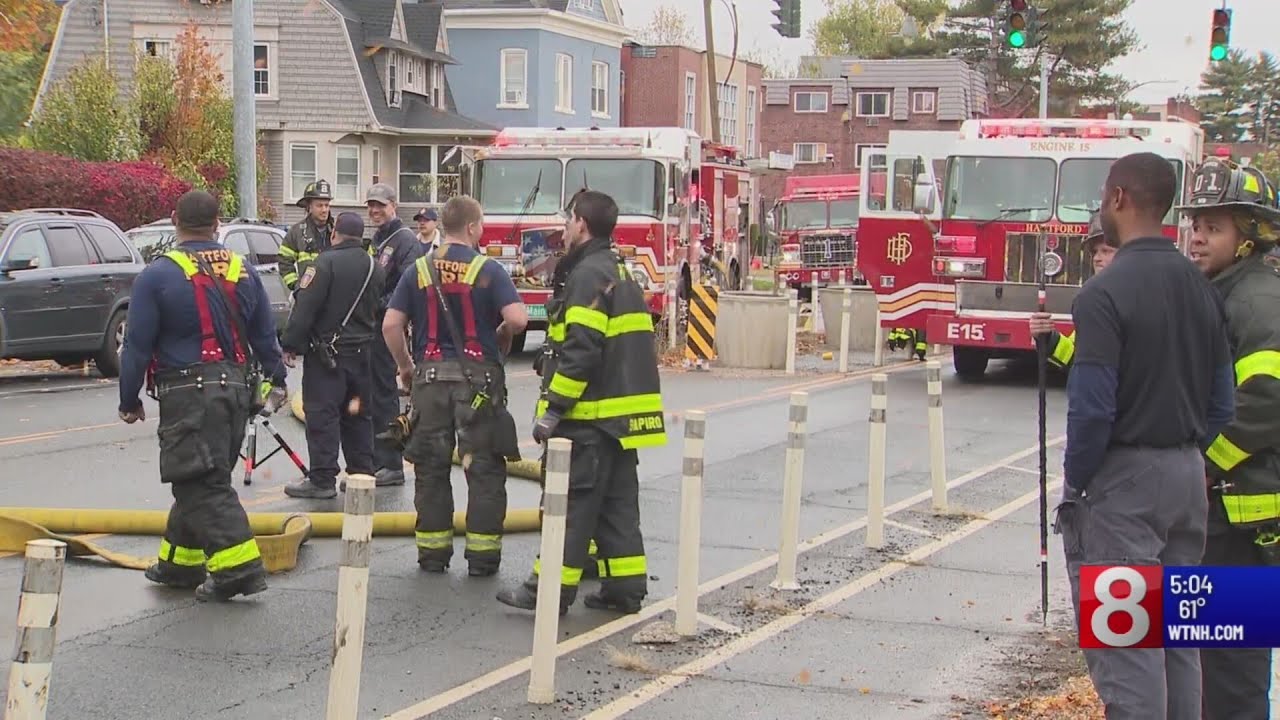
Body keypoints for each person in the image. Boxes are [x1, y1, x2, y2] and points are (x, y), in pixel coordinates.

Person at [1053, 152, 1235, 720]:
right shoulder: (1202, 287)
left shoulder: (1102, 295)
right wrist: (1186, 452)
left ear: (1119, 198)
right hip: (1186, 480)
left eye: (1104, 197)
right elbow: (1223, 403)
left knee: (1127, 649)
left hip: (1123, 487)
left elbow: (1091, 411)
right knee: (1178, 641)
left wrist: (1079, 483)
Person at [496, 190, 666, 616]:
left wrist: (554, 407)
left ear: (582, 224)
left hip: (589, 418)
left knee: (571, 506)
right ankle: (624, 589)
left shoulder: (587, 275)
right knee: (616, 506)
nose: (565, 226)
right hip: (619, 421)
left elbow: (583, 350)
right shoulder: (618, 269)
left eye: (569, 219)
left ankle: (547, 592)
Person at [118, 190, 288, 601]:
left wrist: (129, 399)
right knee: (203, 475)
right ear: (217, 224)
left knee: (200, 481)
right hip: (236, 392)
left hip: (189, 393)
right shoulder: (243, 270)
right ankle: (180, 563)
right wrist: (279, 380)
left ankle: (239, 569)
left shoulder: (157, 275)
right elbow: (265, 335)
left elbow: (136, 345)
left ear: (174, 220)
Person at [1176, 158, 1280, 720]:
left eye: (1213, 228)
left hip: (1243, 520)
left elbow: (1265, 400)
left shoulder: (1258, 301)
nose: (1197, 237)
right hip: (1218, 513)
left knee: (1233, 675)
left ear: (1249, 237)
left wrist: (1204, 464)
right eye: (1195, 225)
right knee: (1209, 662)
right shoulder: (1222, 292)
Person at [382, 195, 527, 575]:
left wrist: (406, 368)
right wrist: (499, 332)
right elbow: (518, 319)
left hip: (429, 383)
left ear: (444, 226)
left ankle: (433, 555)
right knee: (484, 470)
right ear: (472, 227)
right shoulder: (488, 270)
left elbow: (391, 325)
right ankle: (482, 559)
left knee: (430, 470)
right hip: (478, 386)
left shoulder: (419, 270)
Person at [279, 212, 386, 499]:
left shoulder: (323, 263)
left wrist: (290, 344)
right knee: (358, 414)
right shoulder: (374, 267)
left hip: (327, 358)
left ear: (335, 232)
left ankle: (322, 479)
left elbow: (305, 308)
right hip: (363, 356)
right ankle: (362, 474)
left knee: (322, 415)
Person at [366, 183, 426, 486]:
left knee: (384, 396)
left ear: (394, 205)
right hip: (372, 327)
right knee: (372, 396)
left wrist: (377, 306)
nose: (375, 210)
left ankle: (391, 464)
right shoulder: (379, 239)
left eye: (380, 205)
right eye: (371, 205)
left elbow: (408, 288)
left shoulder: (405, 241)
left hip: (387, 326)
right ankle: (377, 460)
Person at [1029, 211, 1118, 369]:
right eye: (1094, 252)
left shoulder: (1138, 296)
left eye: (1105, 251)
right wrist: (1047, 337)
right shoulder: (1093, 299)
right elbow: (1073, 356)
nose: (1097, 258)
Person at [280, 180, 335, 292]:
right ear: (309, 206)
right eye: (319, 205)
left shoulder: (337, 231)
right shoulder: (296, 232)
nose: (324, 210)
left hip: (334, 295)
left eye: (327, 205)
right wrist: (296, 286)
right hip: (308, 295)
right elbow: (284, 261)